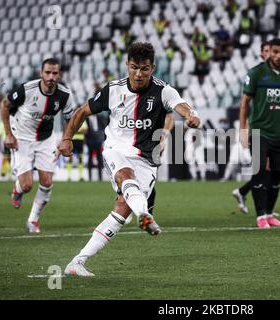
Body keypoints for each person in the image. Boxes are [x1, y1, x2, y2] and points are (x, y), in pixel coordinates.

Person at [58, 42, 201, 276]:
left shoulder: (163, 91)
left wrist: (192, 115)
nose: (138, 73)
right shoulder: (113, 90)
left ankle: (77, 262)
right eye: (134, 67)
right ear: (127, 65)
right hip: (116, 149)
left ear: (152, 68)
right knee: (126, 177)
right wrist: (67, 138)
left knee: (121, 210)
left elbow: (181, 106)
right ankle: (144, 214)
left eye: (144, 68)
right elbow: (82, 111)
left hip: (146, 159)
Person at [0, 58, 76, 233]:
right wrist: (8, 134)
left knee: (47, 182)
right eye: (47, 72)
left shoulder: (65, 95)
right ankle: (18, 190)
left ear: (59, 75)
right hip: (21, 137)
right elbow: (4, 105)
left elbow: (70, 119)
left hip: (45, 139)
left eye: (54, 73)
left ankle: (33, 220)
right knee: (27, 185)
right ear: (41, 73)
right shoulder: (27, 89)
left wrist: (66, 139)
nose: (51, 77)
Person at [239, 38, 280, 229]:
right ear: (269, 52)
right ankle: (260, 217)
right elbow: (245, 102)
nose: (279, 55)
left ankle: (269, 214)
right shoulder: (256, 73)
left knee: (277, 175)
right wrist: (243, 128)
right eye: (275, 52)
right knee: (259, 173)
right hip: (259, 132)